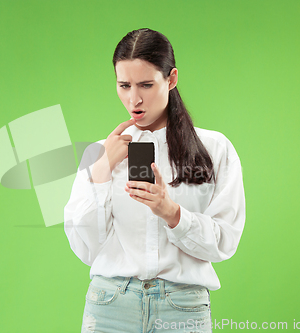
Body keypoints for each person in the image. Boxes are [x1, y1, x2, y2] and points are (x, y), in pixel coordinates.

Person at [64, 28, 246, 333]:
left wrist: (172, 213)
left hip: (182, 307)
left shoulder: (214, 149)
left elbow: (225, 241)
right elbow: (86, 249)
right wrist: (101, 171)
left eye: (146, 85)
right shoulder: (101, 152)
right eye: (124, 85)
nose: (133, 99)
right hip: (110, 306)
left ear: (171, 79)